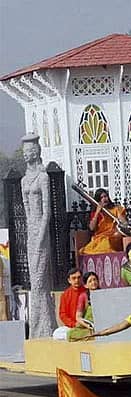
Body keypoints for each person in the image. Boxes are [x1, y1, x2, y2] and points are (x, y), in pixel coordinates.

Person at [20, 132, 56, 337]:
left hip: (41, 230)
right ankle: (40, 326)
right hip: (30, 231)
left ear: (36, 152)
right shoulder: (24, 180)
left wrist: (41, 234)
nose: (26, 155)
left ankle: (42, 324)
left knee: (40, 278)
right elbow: (26, 209)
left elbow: (47, 210)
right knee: (35, 280)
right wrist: (30, 233)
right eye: (24, 152)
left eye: (29, 151)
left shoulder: (43, 177)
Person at [79, 188, 129, 255]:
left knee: (111, 240)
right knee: (103, 242)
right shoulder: (96, 212)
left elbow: (125, 223)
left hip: (115, 236)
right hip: (101, 238)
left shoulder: (116, 209)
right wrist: (97, 212)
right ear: (98, 200)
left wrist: (119, 217)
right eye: (101, 197)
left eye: (105, 196)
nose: (104, 199)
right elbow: (92, 228)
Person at [53, 268, 87, 340]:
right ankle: (76, 336)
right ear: (69, 280)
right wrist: (74, 324)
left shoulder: (87, 292)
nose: (76, 280)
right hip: (72, 326)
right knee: (56, 333)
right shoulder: (65, 295)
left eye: (79, 277)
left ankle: (76, 336)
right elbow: (62, 314)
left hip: (86, 325)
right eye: (74, 278)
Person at [67, 271, 99, 341]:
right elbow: (78, 317)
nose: (93, 282)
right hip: (88, 327)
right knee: (71, 334)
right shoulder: (83, 296)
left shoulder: (103, 294)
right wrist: (88, 326)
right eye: (90, 281)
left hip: (101, 325)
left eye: (94, 280)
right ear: (85, 285)